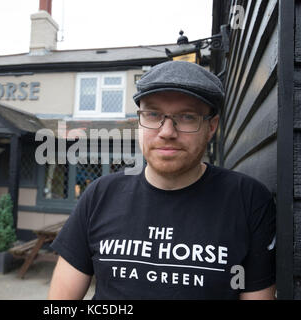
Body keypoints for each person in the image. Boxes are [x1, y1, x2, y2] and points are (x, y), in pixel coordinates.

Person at [48, 61, 276, 300]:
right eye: (153, 114)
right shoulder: (100, 195)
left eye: (187, 116)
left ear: (211, 127)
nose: (167, 131)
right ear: (139, 121)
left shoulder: (248, 200)